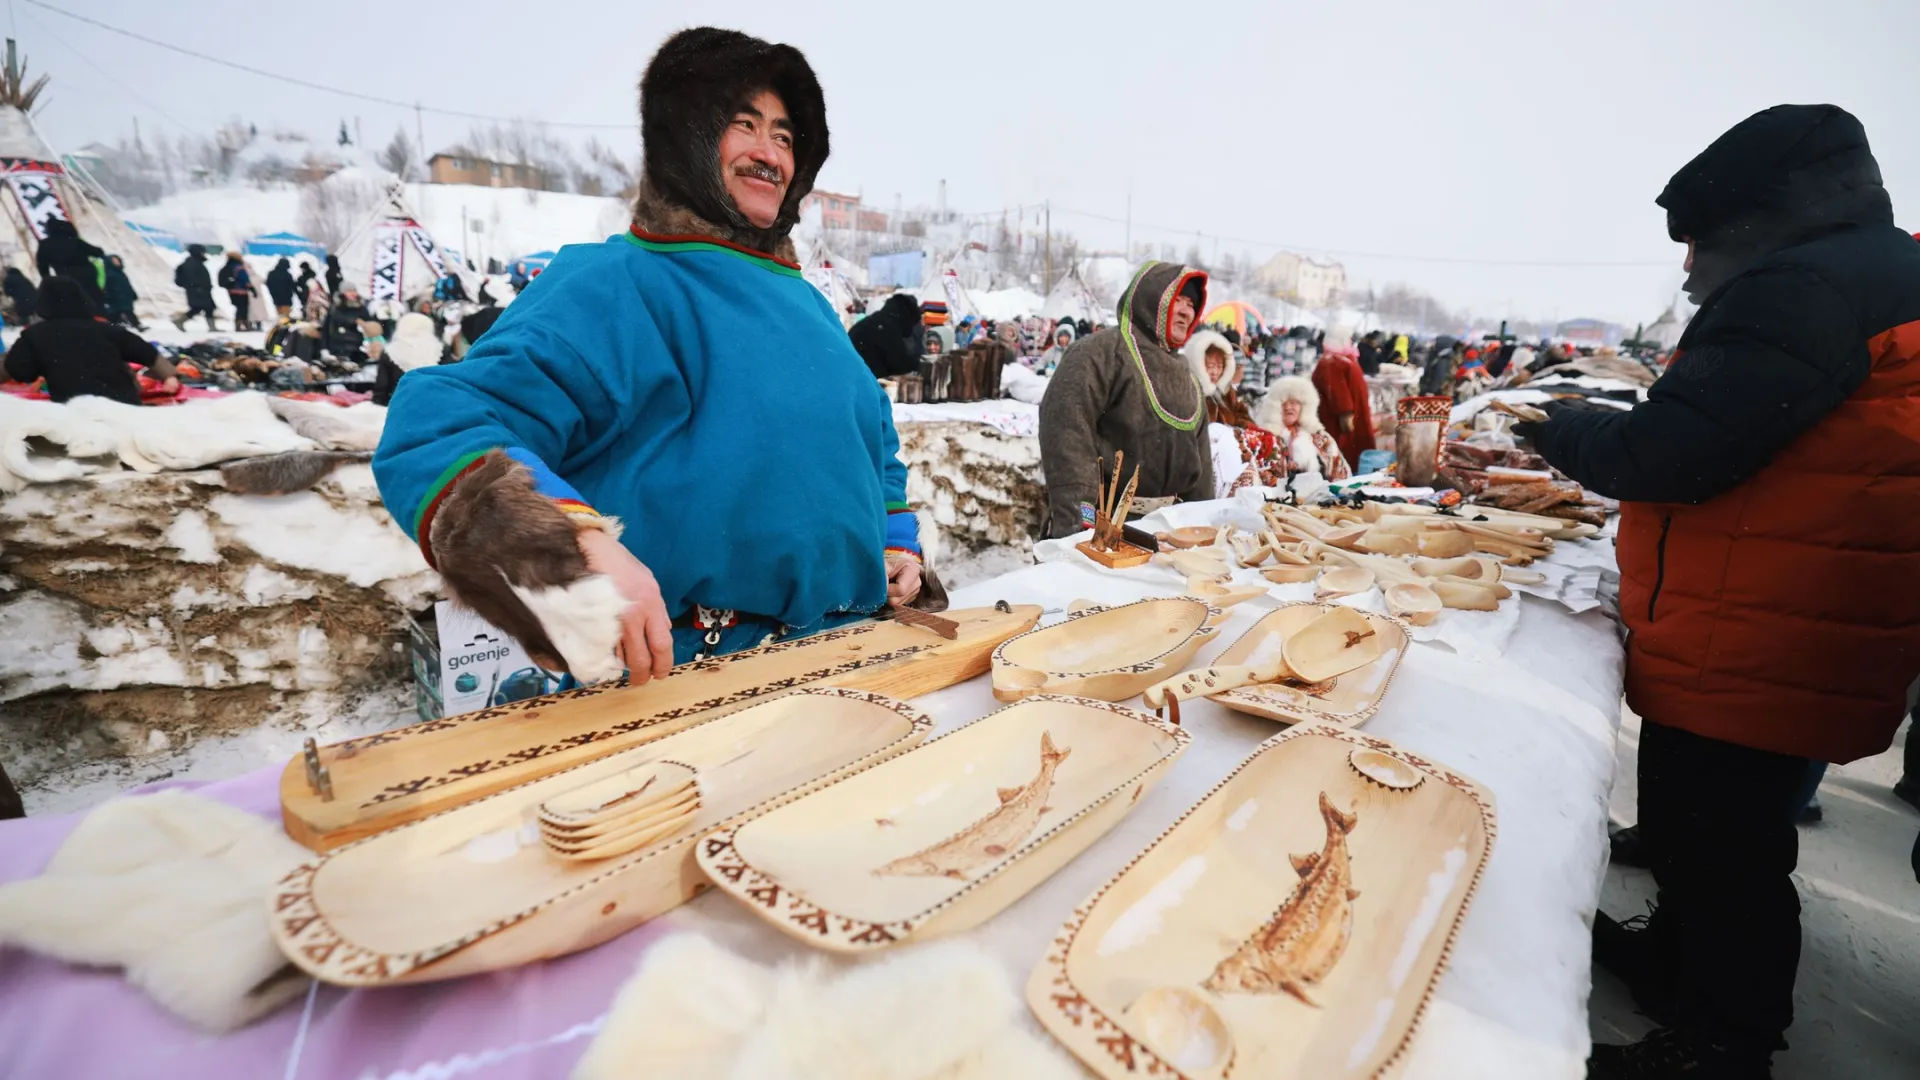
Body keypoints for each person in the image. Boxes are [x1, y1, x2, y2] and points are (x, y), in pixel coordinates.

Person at [1517, 104, 1920, 1079]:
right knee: (1708, 827)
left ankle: (1723, 1040)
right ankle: (1677, 962)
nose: (1689, 269)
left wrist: (1562, 427)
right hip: (1789, 610)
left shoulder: (1808, 289)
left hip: (1769, 624)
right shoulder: (1874, 267)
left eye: (1697, 242)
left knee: (1728, 844)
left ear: (1756, 217)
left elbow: (1671, 451)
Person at [373, 26, 925, 683]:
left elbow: (872, 447)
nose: (769, 153)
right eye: (744, 125)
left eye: (784, 136)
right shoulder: (618, 282)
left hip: (854, 655)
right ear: (687, 136)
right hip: (690, 676)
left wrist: (895, 543)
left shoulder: (807, 304)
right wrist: (577, 547)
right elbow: (441, 423)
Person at [1038, 261, 1213, 537]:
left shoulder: (1188, 377)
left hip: (1170, 531)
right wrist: (1080, 521)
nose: (1185, 311)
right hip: (1105, 524)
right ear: (1151, 299)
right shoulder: (1101, 352)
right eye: (1177, 299)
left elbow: (1200, 468)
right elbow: (1067, 433)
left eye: (1191, 304)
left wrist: (1203, 526)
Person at [4, 277, 177, 405]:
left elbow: (20, 371)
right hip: (124, 406)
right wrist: (169, 376)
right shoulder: (106, 329)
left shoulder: (35, 335)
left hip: (75, 410)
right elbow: (145, 351)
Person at [1255, 376, 1351, 481]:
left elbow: (1340, 472)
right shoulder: (1264, 440)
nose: (1288, 407)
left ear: (1304, 406)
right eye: (1283, 403)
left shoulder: (1320, 438)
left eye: (1293, 403)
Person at [1310, 332, 1373, 470]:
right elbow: (1338, 394)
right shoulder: (1331, 362)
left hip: (1354, 417)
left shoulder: (1341, 359)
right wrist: (1346, 416)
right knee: (1344, 456)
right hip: (1342, 424)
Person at [847, 292, 922, 378]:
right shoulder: (887, 325)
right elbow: (898, 362)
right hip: (860, 376)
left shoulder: (877, 320)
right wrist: (919, 366)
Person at [35, 219, 105, 305]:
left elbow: (42, 267)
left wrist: (48, 279)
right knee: (96, 301)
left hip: (68, 279)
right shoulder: (75, 241)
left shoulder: (45, 245)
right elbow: (98, 252)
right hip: (88, 276)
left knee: (79, 304)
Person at [172, 244, 218, 331]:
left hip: (201, 290)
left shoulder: (195, 262)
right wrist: (196, 287)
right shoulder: (191, 264)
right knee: (201, 308)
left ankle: (180, 321)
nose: (203, 254)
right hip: (197, 290)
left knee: (204, 308)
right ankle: (180, 321)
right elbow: (192, 278)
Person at [326, 285, 371, 359]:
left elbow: (369, 324)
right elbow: (327, 328)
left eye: (354, 291)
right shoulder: (335, 308)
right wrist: (324, 348)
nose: (353, 293)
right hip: (337, 347)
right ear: (343, 293)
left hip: (357, 348)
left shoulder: (362, 308)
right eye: (349, 291)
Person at [217, 251, 257, 331]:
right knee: (243, 308)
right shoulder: (239, 267)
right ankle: (245, 325)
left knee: (238, 308)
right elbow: (244, 278)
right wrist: (252, 289)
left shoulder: (227, 267)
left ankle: (238, 325)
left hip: (231, 291)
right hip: (241, 291)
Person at [99, 255, 141, 329]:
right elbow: (105, 287)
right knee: (115, 315)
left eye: (117, 261)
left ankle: (136, 326)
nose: (117, 262)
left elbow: (127, 286)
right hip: (114, 300)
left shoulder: (121, 274)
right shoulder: (107, 274)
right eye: (114, 261)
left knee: (127, 313)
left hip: (124, 299)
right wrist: (107, 296)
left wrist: (133, 294)